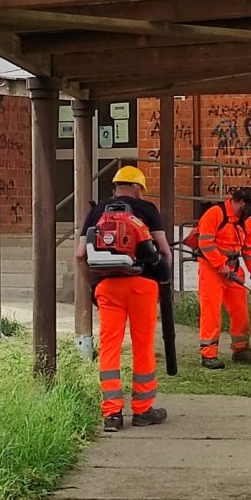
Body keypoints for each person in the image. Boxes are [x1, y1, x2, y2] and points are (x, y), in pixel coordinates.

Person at [75, 164, 173, 431]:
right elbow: (164, 252)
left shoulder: (96, 212)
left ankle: (112, 415)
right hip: (143, 286)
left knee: (110, 348)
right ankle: (142, 410)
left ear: (115, 186)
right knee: (142, 346)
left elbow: (80, 255)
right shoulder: (148, 210)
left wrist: (93, 288)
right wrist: (164, 282)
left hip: (107, 287)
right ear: (138, 188)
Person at [196, 187, 251, 370]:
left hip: (234, 270)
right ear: (242, 202)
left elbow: (249, 250)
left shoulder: (247, 222)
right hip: (211, 270)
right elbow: (205, 242)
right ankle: (209, 354)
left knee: (240, 311)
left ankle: (241, 350)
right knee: (211, 311)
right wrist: (220, 265)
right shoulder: (215, 214)